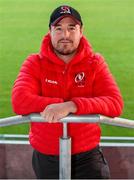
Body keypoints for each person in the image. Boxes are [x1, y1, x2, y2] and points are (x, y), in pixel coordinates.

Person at [11, 5, 124, 179]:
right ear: (49, 31)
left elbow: (114, 103)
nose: (65, 35)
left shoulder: (95, 63)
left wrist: (72, 105)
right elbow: (19, 100)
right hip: (46, 158)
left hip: (88, 156)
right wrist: (56, 104)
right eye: (59, 29)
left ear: (81, 31)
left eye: (72, 28)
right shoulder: (34, 63)